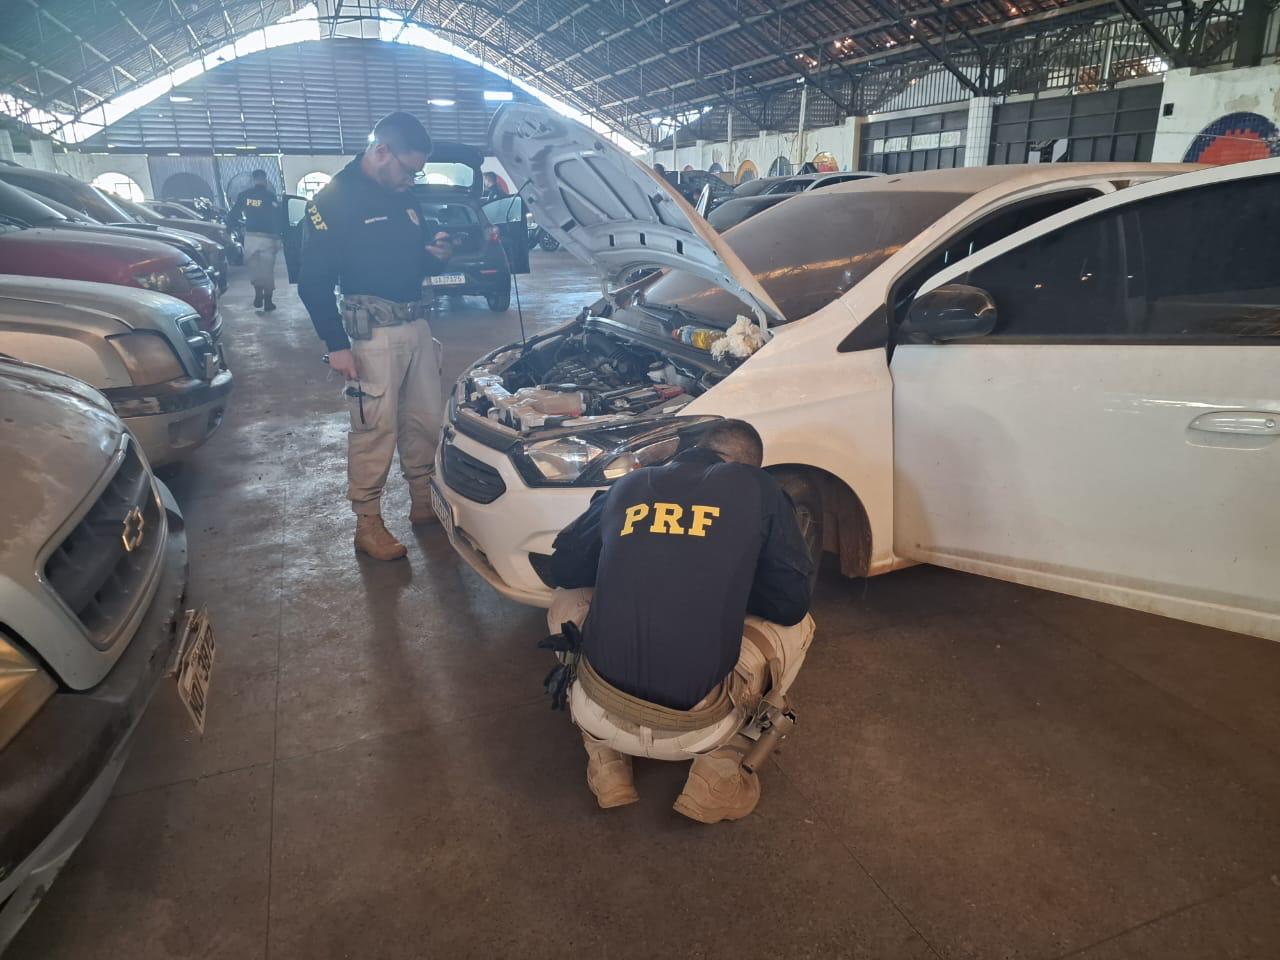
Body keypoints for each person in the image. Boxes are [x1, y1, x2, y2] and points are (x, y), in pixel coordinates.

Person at [544, 420, 815, 823]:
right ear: (747, 467)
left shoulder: (628, 485)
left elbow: (563, 568)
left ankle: (605, 755)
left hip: (596, 707)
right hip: (697, 729)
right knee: (802, 626)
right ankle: (718, 773)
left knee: (566, 601)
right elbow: (789, 604)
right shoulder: (758, 490)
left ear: (693, 451)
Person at [298, 111, 454, 561]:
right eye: (408, 169)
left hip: (416, 327)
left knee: (424, 419)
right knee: (373, 430)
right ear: (380, 151)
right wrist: (336, 345)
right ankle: (368, 524)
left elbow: (417, 259)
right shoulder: (333, 199)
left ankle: (424, 504)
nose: (412, 179)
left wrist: (438, 256)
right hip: (371, 336)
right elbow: (312, 282)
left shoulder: (402, 195)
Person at [229, 169, 284, 311]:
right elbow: (278, 217)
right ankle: (268, 301)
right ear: (264, 180)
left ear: (253, 180)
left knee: (254, 268)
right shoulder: (270, 197)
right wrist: (280, 236)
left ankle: (258, 293)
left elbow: (233, 214)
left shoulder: (244, 196)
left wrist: (229, 229)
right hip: (268, 238)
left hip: (251, 237)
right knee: (267, 270)